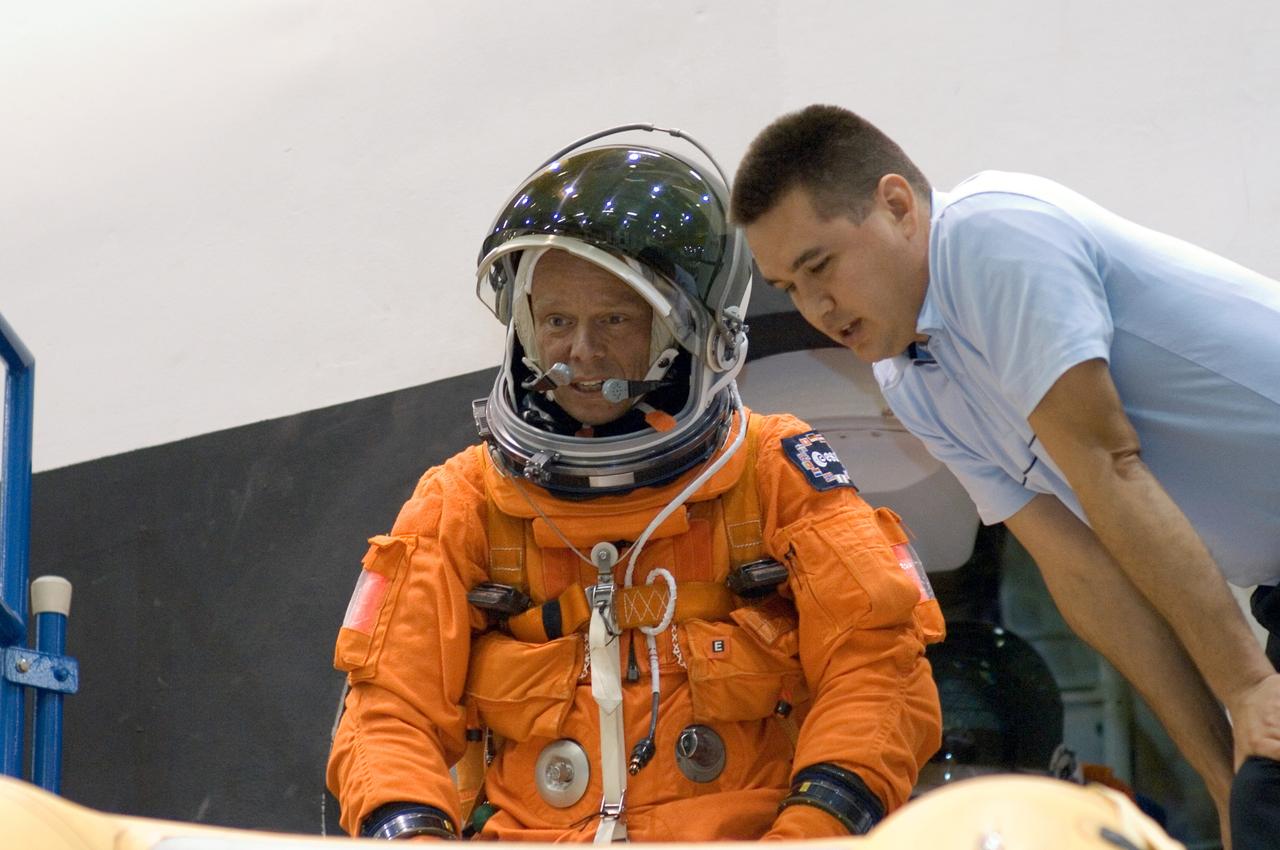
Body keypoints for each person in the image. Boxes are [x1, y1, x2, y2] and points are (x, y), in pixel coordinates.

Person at [325, 129, 943, 842]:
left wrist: (810, 832)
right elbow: (388, 714)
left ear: (688, 333)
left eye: (614, 320)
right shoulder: (463, 502)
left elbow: (878, 670)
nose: (580, 352)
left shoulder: (771, 474)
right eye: (557, 321)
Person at [731, 103, 1280, 848]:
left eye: (820, 265)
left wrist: (1248, 690)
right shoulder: (910, 380)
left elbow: (1110, 466)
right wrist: (1220, 772)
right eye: (788, 286)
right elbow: (1081, 570)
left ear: (897, 205)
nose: (815, 307)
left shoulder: (993, 235)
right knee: (1261, 806)